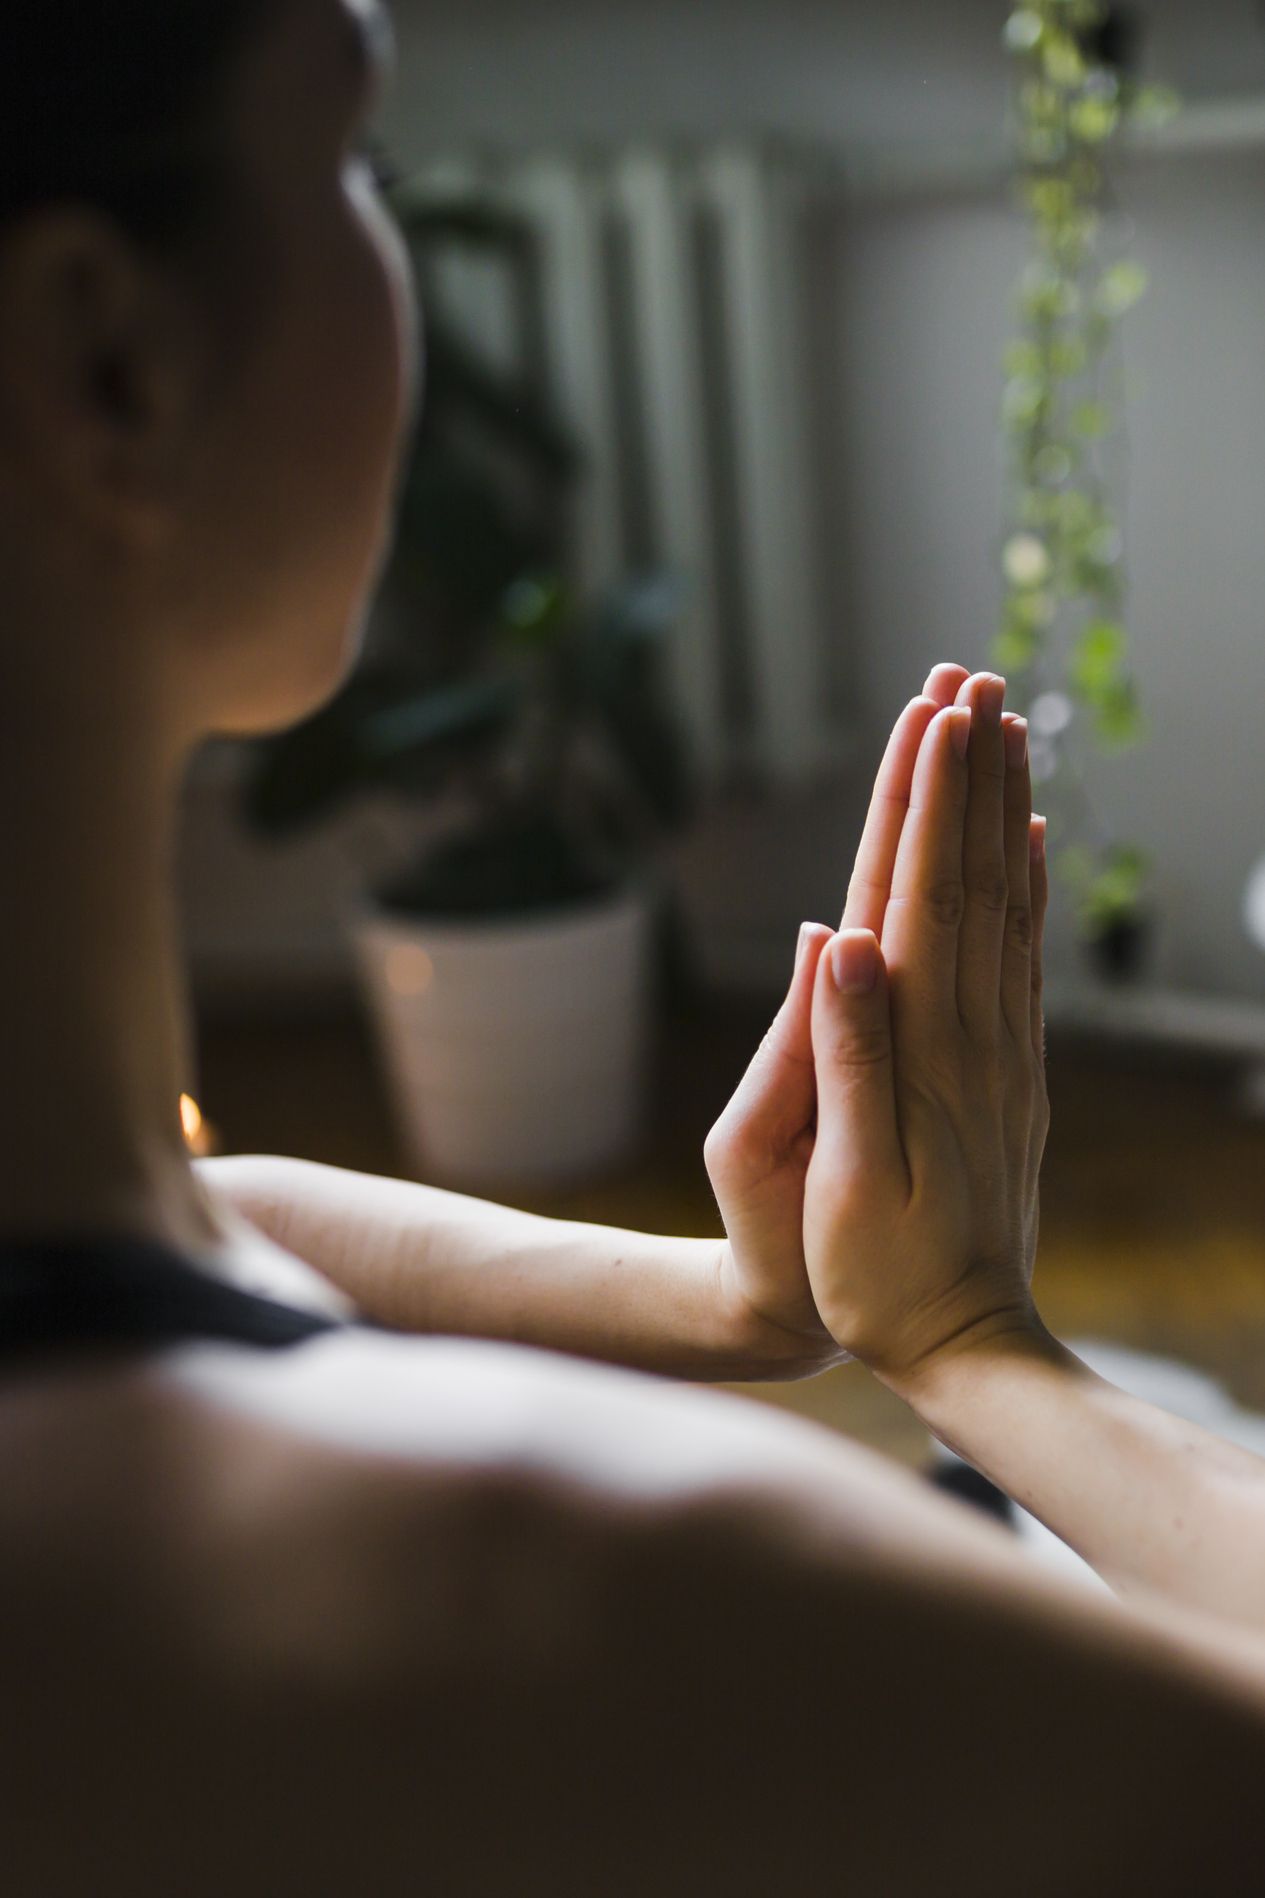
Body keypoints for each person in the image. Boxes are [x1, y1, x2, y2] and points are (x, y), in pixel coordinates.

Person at [1, 2, 1263, 1891]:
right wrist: (975, 1346)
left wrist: (728, 1304)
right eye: (354, 158)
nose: (393, 246)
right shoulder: (560, 1578)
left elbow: (215, 1227)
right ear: (109, 362)